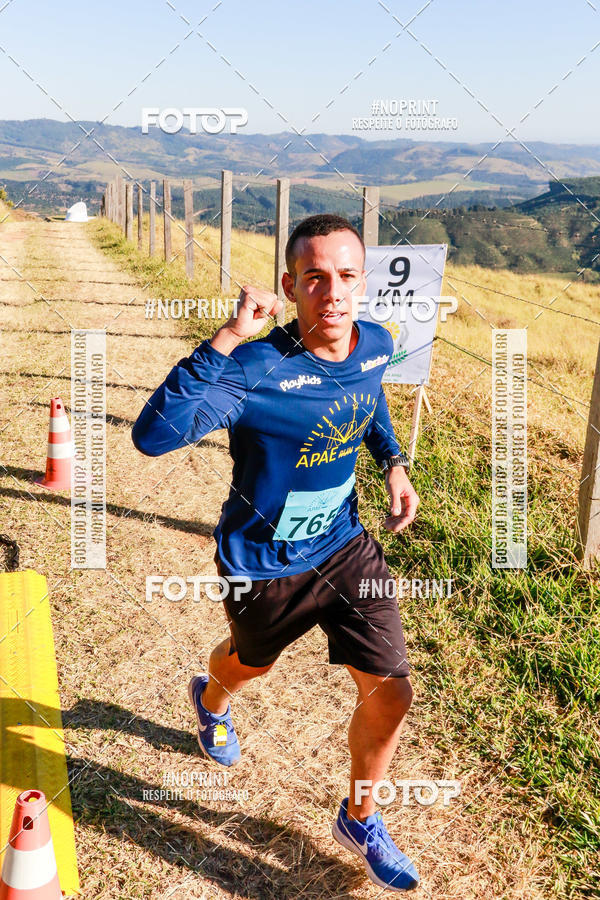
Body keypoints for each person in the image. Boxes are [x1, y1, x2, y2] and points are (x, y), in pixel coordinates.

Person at [132, 214, 420, 892]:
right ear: (290, 287)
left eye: (347, 276)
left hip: (346, 548)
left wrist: (393, 462)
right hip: (262, 566)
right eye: (314, 278)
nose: (333, 293)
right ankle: (212, 697)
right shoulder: (259, 368)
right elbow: (153, 436)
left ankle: (359, 816)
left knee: (392, 691)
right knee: (248, 666)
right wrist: (231, 336)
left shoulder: (376, 342)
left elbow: (366, 396)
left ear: (363, 282)